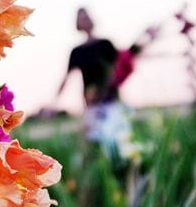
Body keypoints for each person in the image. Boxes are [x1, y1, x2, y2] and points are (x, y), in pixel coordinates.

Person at [57, 8, 148, 161]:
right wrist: (53, 103)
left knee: (121, 142)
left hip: (111, 101)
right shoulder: (77, 51)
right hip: (92, 105)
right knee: (95, 147)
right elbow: (66, 78)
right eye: (81, 18)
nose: (85, 20)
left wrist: (144, 38)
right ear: (77, 24)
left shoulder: (105, 44)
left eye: (86, 16)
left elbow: (123, 60)